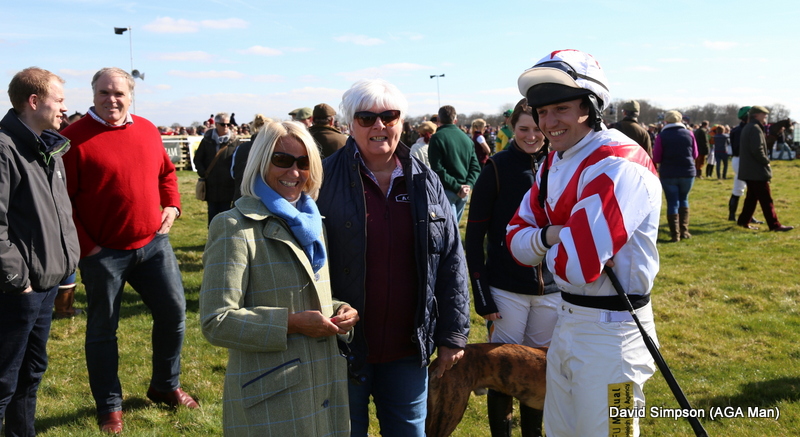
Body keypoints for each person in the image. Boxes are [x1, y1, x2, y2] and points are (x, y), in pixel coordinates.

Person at [507, 49, 662, 437]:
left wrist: (545, 239)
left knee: (616, 433)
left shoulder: (619, 162)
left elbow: (576, 265)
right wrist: (558, 233)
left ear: (591, 107)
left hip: (615, 337)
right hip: (568, 323)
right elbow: (513, 242)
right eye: (541, 111)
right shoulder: (552, 163)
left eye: (560, 108)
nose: (547, 122)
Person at [317, 79, 470, 437]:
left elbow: (450, 260)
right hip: (341, 348)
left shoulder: (426, 180)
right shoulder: (322, 179)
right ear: (349, 124)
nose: (378, 126)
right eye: (366, 117)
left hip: (408, 348)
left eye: (389, 116)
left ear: (402, 121)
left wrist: (454, 333)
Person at [200, 120, 358, 436]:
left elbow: (307, 293)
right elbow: (216, 321)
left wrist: (340, 308)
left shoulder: (313, 223)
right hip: (272, 399)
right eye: (282, 160)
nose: (294, 172)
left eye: (303, 163)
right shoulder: (234, 227)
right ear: (260, 162)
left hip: (325, 386)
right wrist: (292, 323)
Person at [61, 67, 198, 434]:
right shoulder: (72, 139)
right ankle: (109, 405)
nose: (112, 100)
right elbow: (64, 203)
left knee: (174, 314)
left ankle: (165, 385)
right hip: (103, 254)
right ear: (92, 94)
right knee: (103, 331)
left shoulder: (148, 129)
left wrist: (172, 204)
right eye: (104, 92)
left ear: (131, 95)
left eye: (119, 93)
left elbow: (167, 174)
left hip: (153, 245)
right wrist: (87, 247)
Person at [465, 98, 558, 437]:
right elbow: (473, 237)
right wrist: (481, 294)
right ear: (511, 128)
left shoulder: (560, 164)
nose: (532, 136)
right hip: (506, 290)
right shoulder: (496, 167)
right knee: (502, 374)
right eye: (523, 129)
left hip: (552, 289)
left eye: (538, 129)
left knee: (539, 373)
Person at [0, 67, 80, 437]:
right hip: (17, 290)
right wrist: (18, 281)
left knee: (31, 372)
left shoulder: (49, 146)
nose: (65, 108)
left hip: (45, 285)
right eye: (59, 100)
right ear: (34, 101)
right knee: (4, 379)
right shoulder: (4, 149)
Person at [736, 106, 794, 232]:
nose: (766, 117)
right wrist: (766, 161)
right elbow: (758, 150)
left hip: (749, 170)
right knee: (766, 199)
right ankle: (774, 225)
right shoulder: (755, 128)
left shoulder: (748, 127)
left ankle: (742, 221)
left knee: (751, 198)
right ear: (756, 115)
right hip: (756, 170)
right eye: (764, 115)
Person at [428, 105, 481, 224]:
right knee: (452, 231)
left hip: (448, 189)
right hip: (463, 190)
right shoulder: (466, 138)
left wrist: (458, 187)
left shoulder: (437, 137)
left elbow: (437, 168)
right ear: (455, 120)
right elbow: (475, 167)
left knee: (449, 233)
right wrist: (468, 185)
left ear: (438, 120)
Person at [652, 110, 698, 242]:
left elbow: (657, 157)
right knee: (684, 199)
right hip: (687, 172)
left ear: (665, 121)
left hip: (669, 173)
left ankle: (675, 234)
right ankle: (684, 231)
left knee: (672, 202)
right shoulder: (689, 134)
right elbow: (695, 154)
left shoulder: (662, 135)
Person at [193, 112, 241, 225]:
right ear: (216, 124)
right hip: (211, 184)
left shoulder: (235, 142)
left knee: (227, 213)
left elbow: (239, 162)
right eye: (223, 124)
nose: (226, 127)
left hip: (228, 185)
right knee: (212, 213)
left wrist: (234, 176)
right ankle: (212, 239)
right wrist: (203, 173)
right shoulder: (207, 141)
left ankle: (225, 239)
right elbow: (198, 159)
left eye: (229, 124)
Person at [727, 106, 754, 221]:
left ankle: (733, 216)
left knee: (738, 188)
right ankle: (746, 216)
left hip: (740, 160)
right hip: (742, 160)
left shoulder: (740, 129)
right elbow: (738, 148)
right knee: (751, 188)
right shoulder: (741, 130)